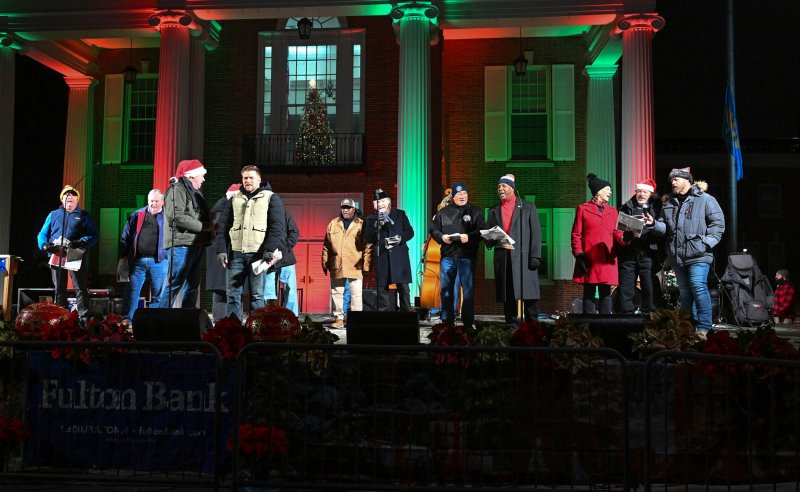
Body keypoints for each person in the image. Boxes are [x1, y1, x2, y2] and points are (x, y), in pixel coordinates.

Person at [645, 167, 725, 333]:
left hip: (699, 254)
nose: (673, 183)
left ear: (687, 180)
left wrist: (705, 243)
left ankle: (704, 327)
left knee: (698, 286)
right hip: (677, 255)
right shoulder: (669, 203)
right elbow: (664, 228)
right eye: (671, 180)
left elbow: (718, 224)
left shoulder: (705, 199)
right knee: (685, 292)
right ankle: (687, 327)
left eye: (676, 179)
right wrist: (653, 224)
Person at [216, 165, 285, 321]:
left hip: (258, 255)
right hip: (236, 254)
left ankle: (257, 328)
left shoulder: (271, 198)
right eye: (245, 178)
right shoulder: (235, 198)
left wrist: (269, 249)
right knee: (232, 294)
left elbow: (277, 226)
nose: (248, 180)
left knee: (257, 295)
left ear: (259, 180)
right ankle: (234, 327)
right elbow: (223, 226)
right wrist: (221, 250)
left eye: (251, 177)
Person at [486, 174, 542, 323]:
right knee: (508, 296)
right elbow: (489, 237)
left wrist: (535, 256)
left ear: (512, 188)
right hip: (504, 260)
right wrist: (488, 237)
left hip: (524, 260)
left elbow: (536, 233)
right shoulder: (493, 210)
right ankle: (510, 326)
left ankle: (532, 327)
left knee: (529, 296)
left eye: (504, 186)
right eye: (499, 186)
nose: (500, 189)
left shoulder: (527, 207)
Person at [429, 182, 486, 328]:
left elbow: (482, 230)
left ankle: (468, 323)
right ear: (453, 196)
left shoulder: (476, 211)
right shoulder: (443, 212)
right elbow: (433, 229)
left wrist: (469, 237)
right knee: (446, 291)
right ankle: (447, 322)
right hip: (448, 257)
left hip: (467, 257)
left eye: (465, 193)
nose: (462, 196)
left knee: (468, 291)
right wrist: (442, 237)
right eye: (459, 194)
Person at [37, 185, 98, 319]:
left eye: (73, 194)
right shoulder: (54, 214)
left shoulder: (84, 215)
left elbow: (94, 235)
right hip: (56, 252)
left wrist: (82, 241)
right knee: (59, 288)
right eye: (66, 194)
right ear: (62, 199)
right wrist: (44, 245)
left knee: (80, 287)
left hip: (75, 252)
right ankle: (61, 317)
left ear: (77, 199)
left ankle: (83, 317)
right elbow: (42, 233)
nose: (69, 196)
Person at [160, 159, 215, 308]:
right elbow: (176, 216)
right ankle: (161, 317)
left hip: (195, 244)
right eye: (201, 176)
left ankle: (186, 316)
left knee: (192, 286)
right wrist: (203, 226)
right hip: (181, 245)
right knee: (175, 283)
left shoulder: (194, 192)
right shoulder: (177, 190)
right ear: (191, 176)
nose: (203, 179)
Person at [572, 173, 627, 314]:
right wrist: (579, 254)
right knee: (589, 293)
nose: (610, 192)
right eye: (607, 189)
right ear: (598, 191)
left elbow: (617, 233)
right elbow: (576, 234)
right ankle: (588, 324)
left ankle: (605, 323)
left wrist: (625, 238)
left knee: (605, 293)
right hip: (589, 257)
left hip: (606, 258)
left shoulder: (613, 211)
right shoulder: (583, 209)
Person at [119, 189, 168, 323]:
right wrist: (124, 254)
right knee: (132, 292)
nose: (153, 204)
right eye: (151, 201)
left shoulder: (168, 217)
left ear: (162, 202)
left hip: (159, 262)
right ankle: (128, 320)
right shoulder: (137, 215)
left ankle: (154, 321)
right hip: (138, 261)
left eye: (156, 201)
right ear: (148, 201)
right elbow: (125, 236)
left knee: (157, 294)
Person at [322, 198, 372, 327]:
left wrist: (366, 264)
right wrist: (325, 261)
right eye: (343, 207)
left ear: (354, 209)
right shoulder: (333, 223)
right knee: (336, 292)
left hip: (355, 264)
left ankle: (356, 320)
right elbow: (326, 245)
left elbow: (368, 246)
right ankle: (339, 319)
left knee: (356, 294)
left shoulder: (361, 223)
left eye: (348, 208)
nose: (345, 210)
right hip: (337, 263)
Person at [363, 189, 414, 312]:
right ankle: (384, 317)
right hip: (382, 256)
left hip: (399, 256)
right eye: (377, 202)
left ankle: (406, 316)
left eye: (383, 201)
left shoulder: (400, 214)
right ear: (374, 205)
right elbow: (367, 238)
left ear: (389, 202)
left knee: (404, 289)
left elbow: (410, 232)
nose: (380, 204)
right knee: (382, 289)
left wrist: (400, 238)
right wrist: (377, 226)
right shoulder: (370, 219)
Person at [617, 178, 663, 314]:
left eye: (645, 192)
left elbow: (663, 230)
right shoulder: (625, 207)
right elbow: (618, 229)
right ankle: (626, 313)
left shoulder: (658, 208)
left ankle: (650, 313)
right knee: (626, 285)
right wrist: (625, 235)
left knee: (649, 284)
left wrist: (652, 224)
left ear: (651, 194)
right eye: (639, 191)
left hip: (648, 253)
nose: (641, 194)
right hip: (628, 253)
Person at [206, 184, 240, 321]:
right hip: (221, 254)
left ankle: (224, 321)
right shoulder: (223, 209)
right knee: (222, 290)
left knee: (223, 290)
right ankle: (222, 322)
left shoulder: (219, 207)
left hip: (220, 254)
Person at [264, 210, 300, 316]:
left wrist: (285, 247)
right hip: (268, 258)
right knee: (268, 290)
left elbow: (294, 232)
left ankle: (291, 316)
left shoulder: (284, 213)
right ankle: (269, 315)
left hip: (286, 257)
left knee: (290, 288)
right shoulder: (261, 212)